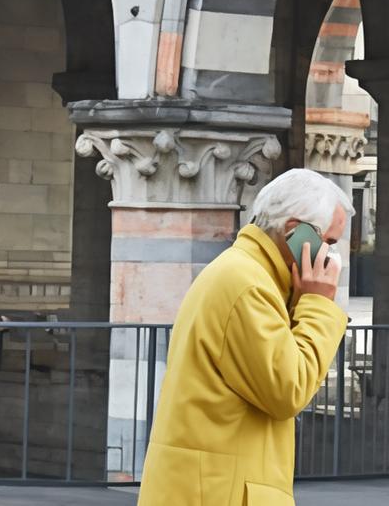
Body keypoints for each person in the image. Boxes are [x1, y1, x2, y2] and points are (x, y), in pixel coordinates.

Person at [137, 169, 352, 506]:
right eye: (329, 243)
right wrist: (318, 305)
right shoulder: (248, 286)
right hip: (222, 493)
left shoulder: (244, 273)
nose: (330, 257)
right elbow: (288, 389)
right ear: (296, 233)